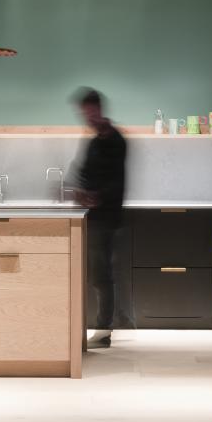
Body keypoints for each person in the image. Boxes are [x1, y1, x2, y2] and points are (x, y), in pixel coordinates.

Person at [69, 86, 129, 348]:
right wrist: (78, 190)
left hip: (107, 218)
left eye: (91, 113)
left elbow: (116, 180)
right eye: (85, 115)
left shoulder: (116, 140)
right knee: (97, 274)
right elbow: (83, 172)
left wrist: (95, 196)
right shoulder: (93, 142)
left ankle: (104, 330)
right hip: (93, 217)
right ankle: (102, 326)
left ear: (99, 110)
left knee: (101, 275)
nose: (88, 118)